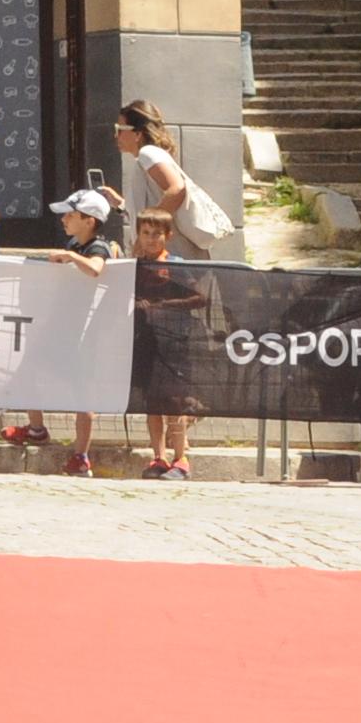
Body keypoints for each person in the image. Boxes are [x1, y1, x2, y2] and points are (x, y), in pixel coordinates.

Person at [37, 187, 121, 476]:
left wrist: (71, 257)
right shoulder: (74, 243)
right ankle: (35, 428)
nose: (63, 220)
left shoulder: (98, 247)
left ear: (89, 221)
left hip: (88, 332)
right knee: (31, 369)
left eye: (70, 215)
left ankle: (81, 455)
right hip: (64, 326)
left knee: (84, 394)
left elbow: (96, 269)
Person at [128, 204, 204, 478]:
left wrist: (164, 306)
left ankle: (180, 459)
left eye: (157, 234)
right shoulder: (134, 267)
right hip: (145, 341)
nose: (151, 239)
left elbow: (200, 298)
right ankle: (158, 457)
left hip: (174, 342)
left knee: (174, 402)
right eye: (146, 233)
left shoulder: (176, 266)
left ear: (168, 236)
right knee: (152, 403)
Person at [112, 97, 232, 256]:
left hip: (174, 260)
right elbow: (152, 206)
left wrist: (146, 236)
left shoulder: (148, 153)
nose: (116, 136)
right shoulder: (146, 159)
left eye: (120, 129)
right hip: (171, 260)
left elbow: (177, 189)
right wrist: (120, 204)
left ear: (138, 134)